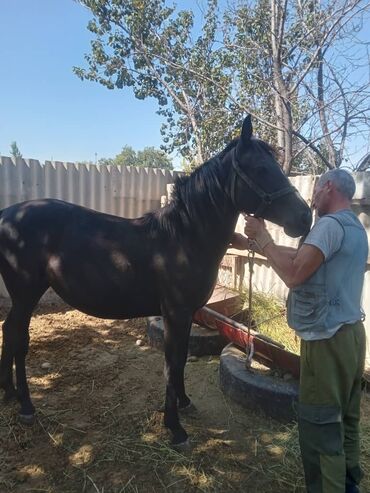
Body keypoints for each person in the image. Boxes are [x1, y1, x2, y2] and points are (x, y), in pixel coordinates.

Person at [238, 169, 367, 493]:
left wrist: (264, 238)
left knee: (319, 426)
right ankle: (350, 478)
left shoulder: (328, 226)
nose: (311, 198)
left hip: (326, 343)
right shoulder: (354, 227)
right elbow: (299, 257)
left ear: (328, 187)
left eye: (314, 190)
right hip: (352, 336)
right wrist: (254, 240)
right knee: (347, 416)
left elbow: (295, 274)